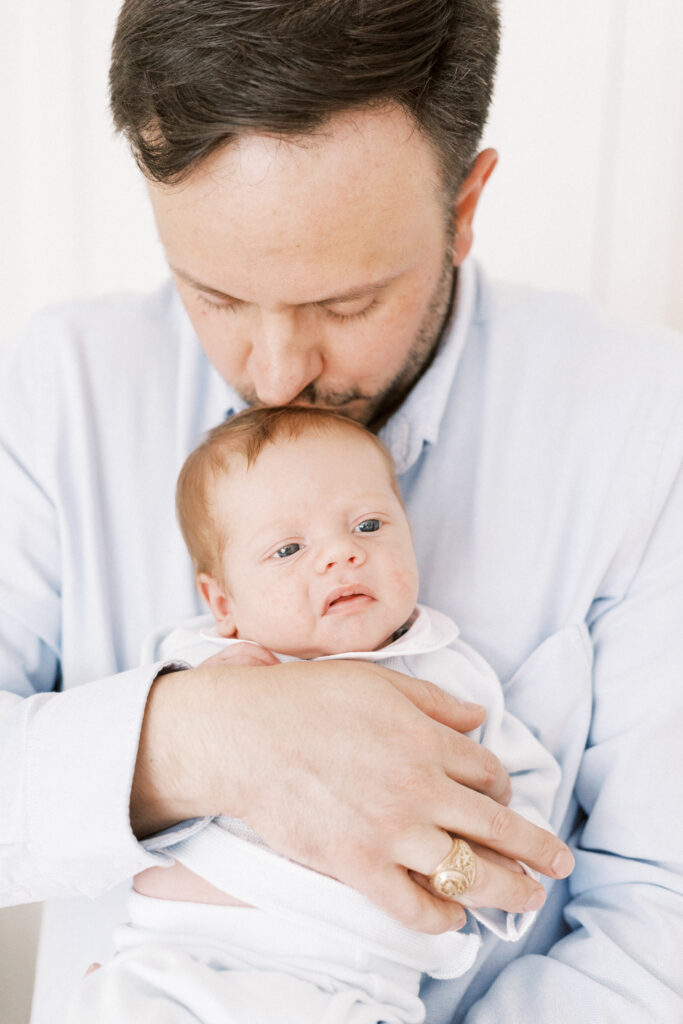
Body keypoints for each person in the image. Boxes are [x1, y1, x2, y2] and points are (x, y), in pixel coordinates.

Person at [0, 1, 681, 1022]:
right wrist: (198, 738)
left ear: (464, 204)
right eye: (214, 295)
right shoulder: (54, 395)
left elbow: (658, 928)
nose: (274, 371)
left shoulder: (642, 431)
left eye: (345, 303)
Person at [68, 405, 562, 1022]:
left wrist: (488, 869)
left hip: (348, 981)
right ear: (223, 601)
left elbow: (515, 787)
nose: (341, 555)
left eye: (369, 524)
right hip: (178, 957)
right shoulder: (194, 664)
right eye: (289, 547)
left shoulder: (448, 677)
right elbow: (109, 761)